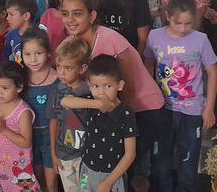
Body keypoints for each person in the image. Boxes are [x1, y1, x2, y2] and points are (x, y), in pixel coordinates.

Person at [59, 0, 165, 188]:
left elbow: (129, 89)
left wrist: (113, 122)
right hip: (108, 110)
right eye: (65, 14)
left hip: (141, 109)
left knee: (127, 171)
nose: (70, 20)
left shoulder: (110, 40)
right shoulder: (71, 43)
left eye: (77, 13)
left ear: (92, 16)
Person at [144, 0, 217, 192]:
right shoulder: (154, 36)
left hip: (192, 111)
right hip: (163, 109)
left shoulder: (200, 39)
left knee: (188, 160)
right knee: (161, 161)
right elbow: (149, 64)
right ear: (167, 16)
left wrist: (208, 108)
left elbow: (212, 72)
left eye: (188, 23)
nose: (184, 28)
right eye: (179, 23)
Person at [60, 55, 137, 192]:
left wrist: (108, 183)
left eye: (108, 86)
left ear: (119, 85)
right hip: (86, 170)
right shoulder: (91, 102)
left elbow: (130, 154)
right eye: (95, 86)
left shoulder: (125, 113)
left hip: (113, 176)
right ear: (89, 85)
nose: (100, 92)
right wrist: (96, 103)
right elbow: (65, 101)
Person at [0, 61, 40, 192]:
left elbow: (26, 142)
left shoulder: (23, 112)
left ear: (19, 87)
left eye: (5, 88)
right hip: (2, 163)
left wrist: (3, 129)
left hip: (20, 165)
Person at [46, 38, 91, 192]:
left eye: (68, 68)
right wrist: (53, 153)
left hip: (85, 156)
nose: (62, 72)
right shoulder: (56, 89)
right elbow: (53, 121)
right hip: (63, 154)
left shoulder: (90, 92)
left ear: (82, 68)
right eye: (59, 66)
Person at [22, 28, 60, 192]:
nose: (33, 59)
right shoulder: (20, 78)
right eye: (27, 54)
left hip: (51, 139)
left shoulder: (58, 79)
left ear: (48, 53)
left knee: (52, 184)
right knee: (36, 181)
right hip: (28, 138)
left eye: (38, 53)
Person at [2, 0, 38, 64]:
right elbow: (6, 59)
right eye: (7, 14)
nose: (7, 18)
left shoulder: (39, 35)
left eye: (11, 14)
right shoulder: (10, 35)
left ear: (26, 16)